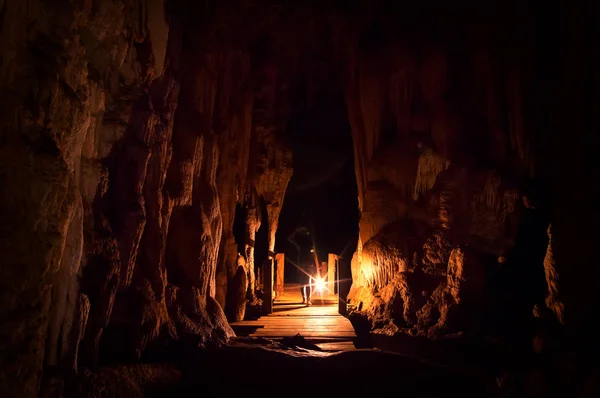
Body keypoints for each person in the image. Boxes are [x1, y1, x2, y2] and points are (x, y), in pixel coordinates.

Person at [288, 226, 317, 306]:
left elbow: (314, 252)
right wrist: (297, 231)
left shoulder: (309, 241)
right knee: (303, 283)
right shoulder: (300, 243)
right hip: (302, 264)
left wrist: (316, 264)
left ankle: (307, 299)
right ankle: (305, 299)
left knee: (306, 282)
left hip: (308, 264)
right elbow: (290, 238)